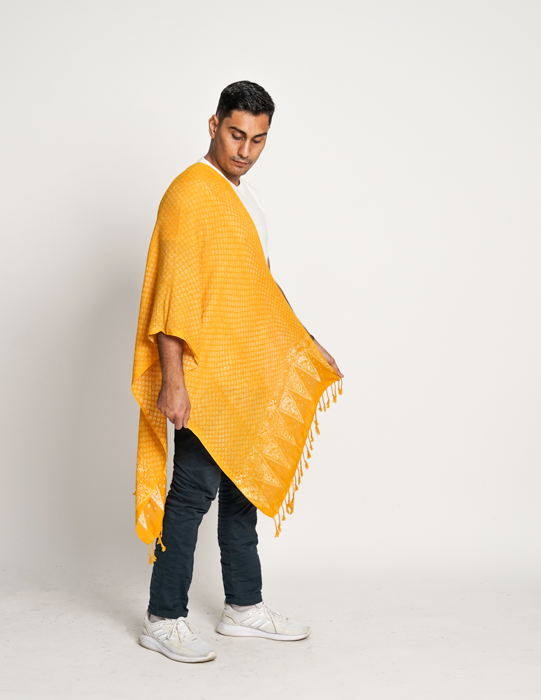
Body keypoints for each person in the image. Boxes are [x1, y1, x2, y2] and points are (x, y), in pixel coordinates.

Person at [131, 80, 344, 663]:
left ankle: (244, 607)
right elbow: (173, 297)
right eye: (235, 134)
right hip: (203, 375)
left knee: (243, 491)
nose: (245, 150)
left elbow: (258, 291)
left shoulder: (245, 199)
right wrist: (173, 382)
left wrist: (307, 342)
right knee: (191, 493)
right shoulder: (189, 195)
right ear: (213, 125)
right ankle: (163, 616)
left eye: (258, 139)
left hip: (244, 371)